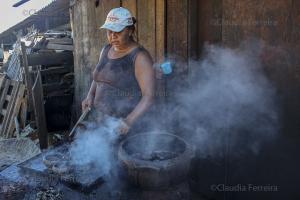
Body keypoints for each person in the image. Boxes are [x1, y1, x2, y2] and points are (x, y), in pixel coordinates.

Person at [82, 7, 155, 136]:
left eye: (118, 31)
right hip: (102, 120)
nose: (112, 36)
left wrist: (128, 121)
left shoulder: (140, 57)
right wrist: (90, 95)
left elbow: (149, 97)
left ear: (130, 31)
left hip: (123, 125)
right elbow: (98, 77)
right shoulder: (106, 49)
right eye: (109, 31)